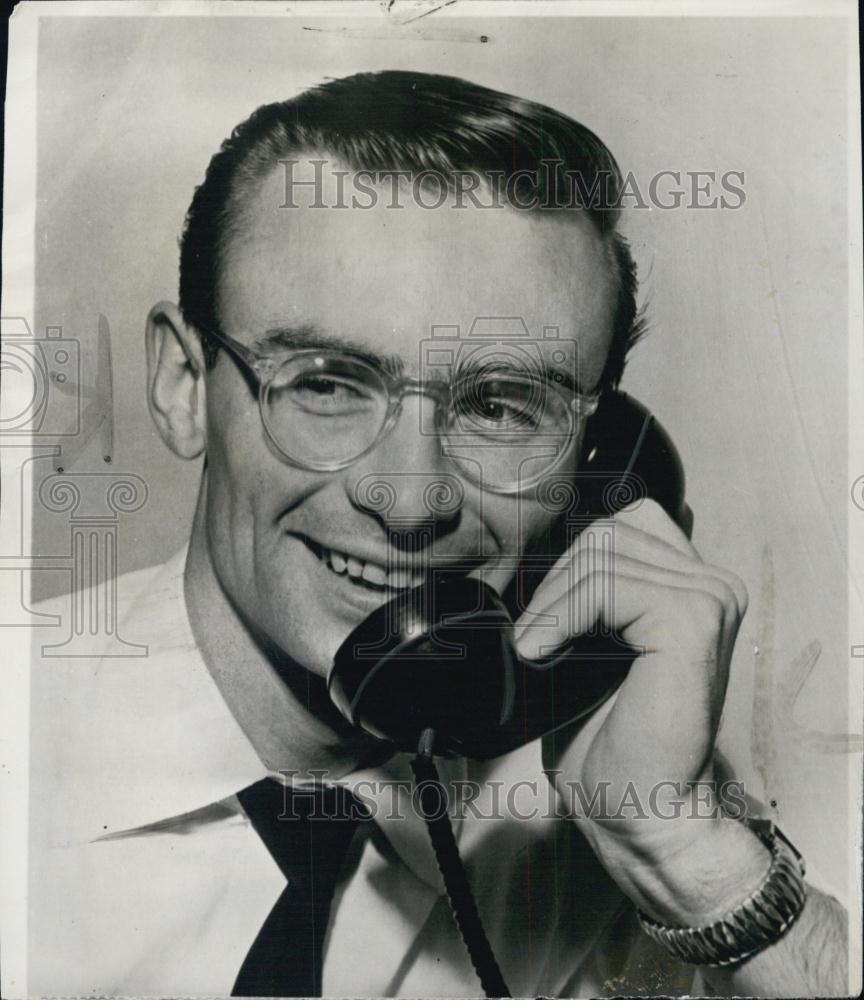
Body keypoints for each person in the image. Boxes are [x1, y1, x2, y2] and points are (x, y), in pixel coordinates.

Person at [29, 70, 848, 998]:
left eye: (501, 406)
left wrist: (685, 855)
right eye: (327, 384)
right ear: (184, 388)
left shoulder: (620, 805)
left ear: (599, 468)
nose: (412, 499)